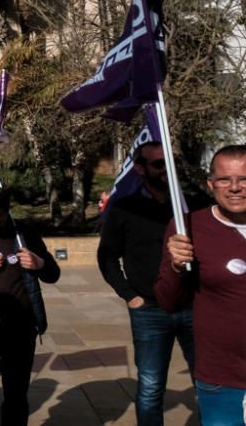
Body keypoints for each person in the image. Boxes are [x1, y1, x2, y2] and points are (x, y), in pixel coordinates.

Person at [98, 141, 194, 426]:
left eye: (169, 164)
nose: (166, 170)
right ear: (140, 169)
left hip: (194, 307)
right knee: (151, 386)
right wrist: (130, 295)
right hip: (149, 309)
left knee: (208, 382)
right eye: (158, 164)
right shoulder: (126, 209)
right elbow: (107, 257)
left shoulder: (190, 205)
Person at [156, 145, 246, 426]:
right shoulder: (188, 228)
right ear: (211, 184)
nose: (234, 187)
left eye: (244, 179)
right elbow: (167, 301)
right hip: (222, 379)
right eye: (224, 179)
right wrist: (176, 266)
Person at [0, 185, 60, 426]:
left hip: (20, 328)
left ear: (8, 211)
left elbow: (53, 273)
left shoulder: (24, 232)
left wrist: (39, 263)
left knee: (16, 395)